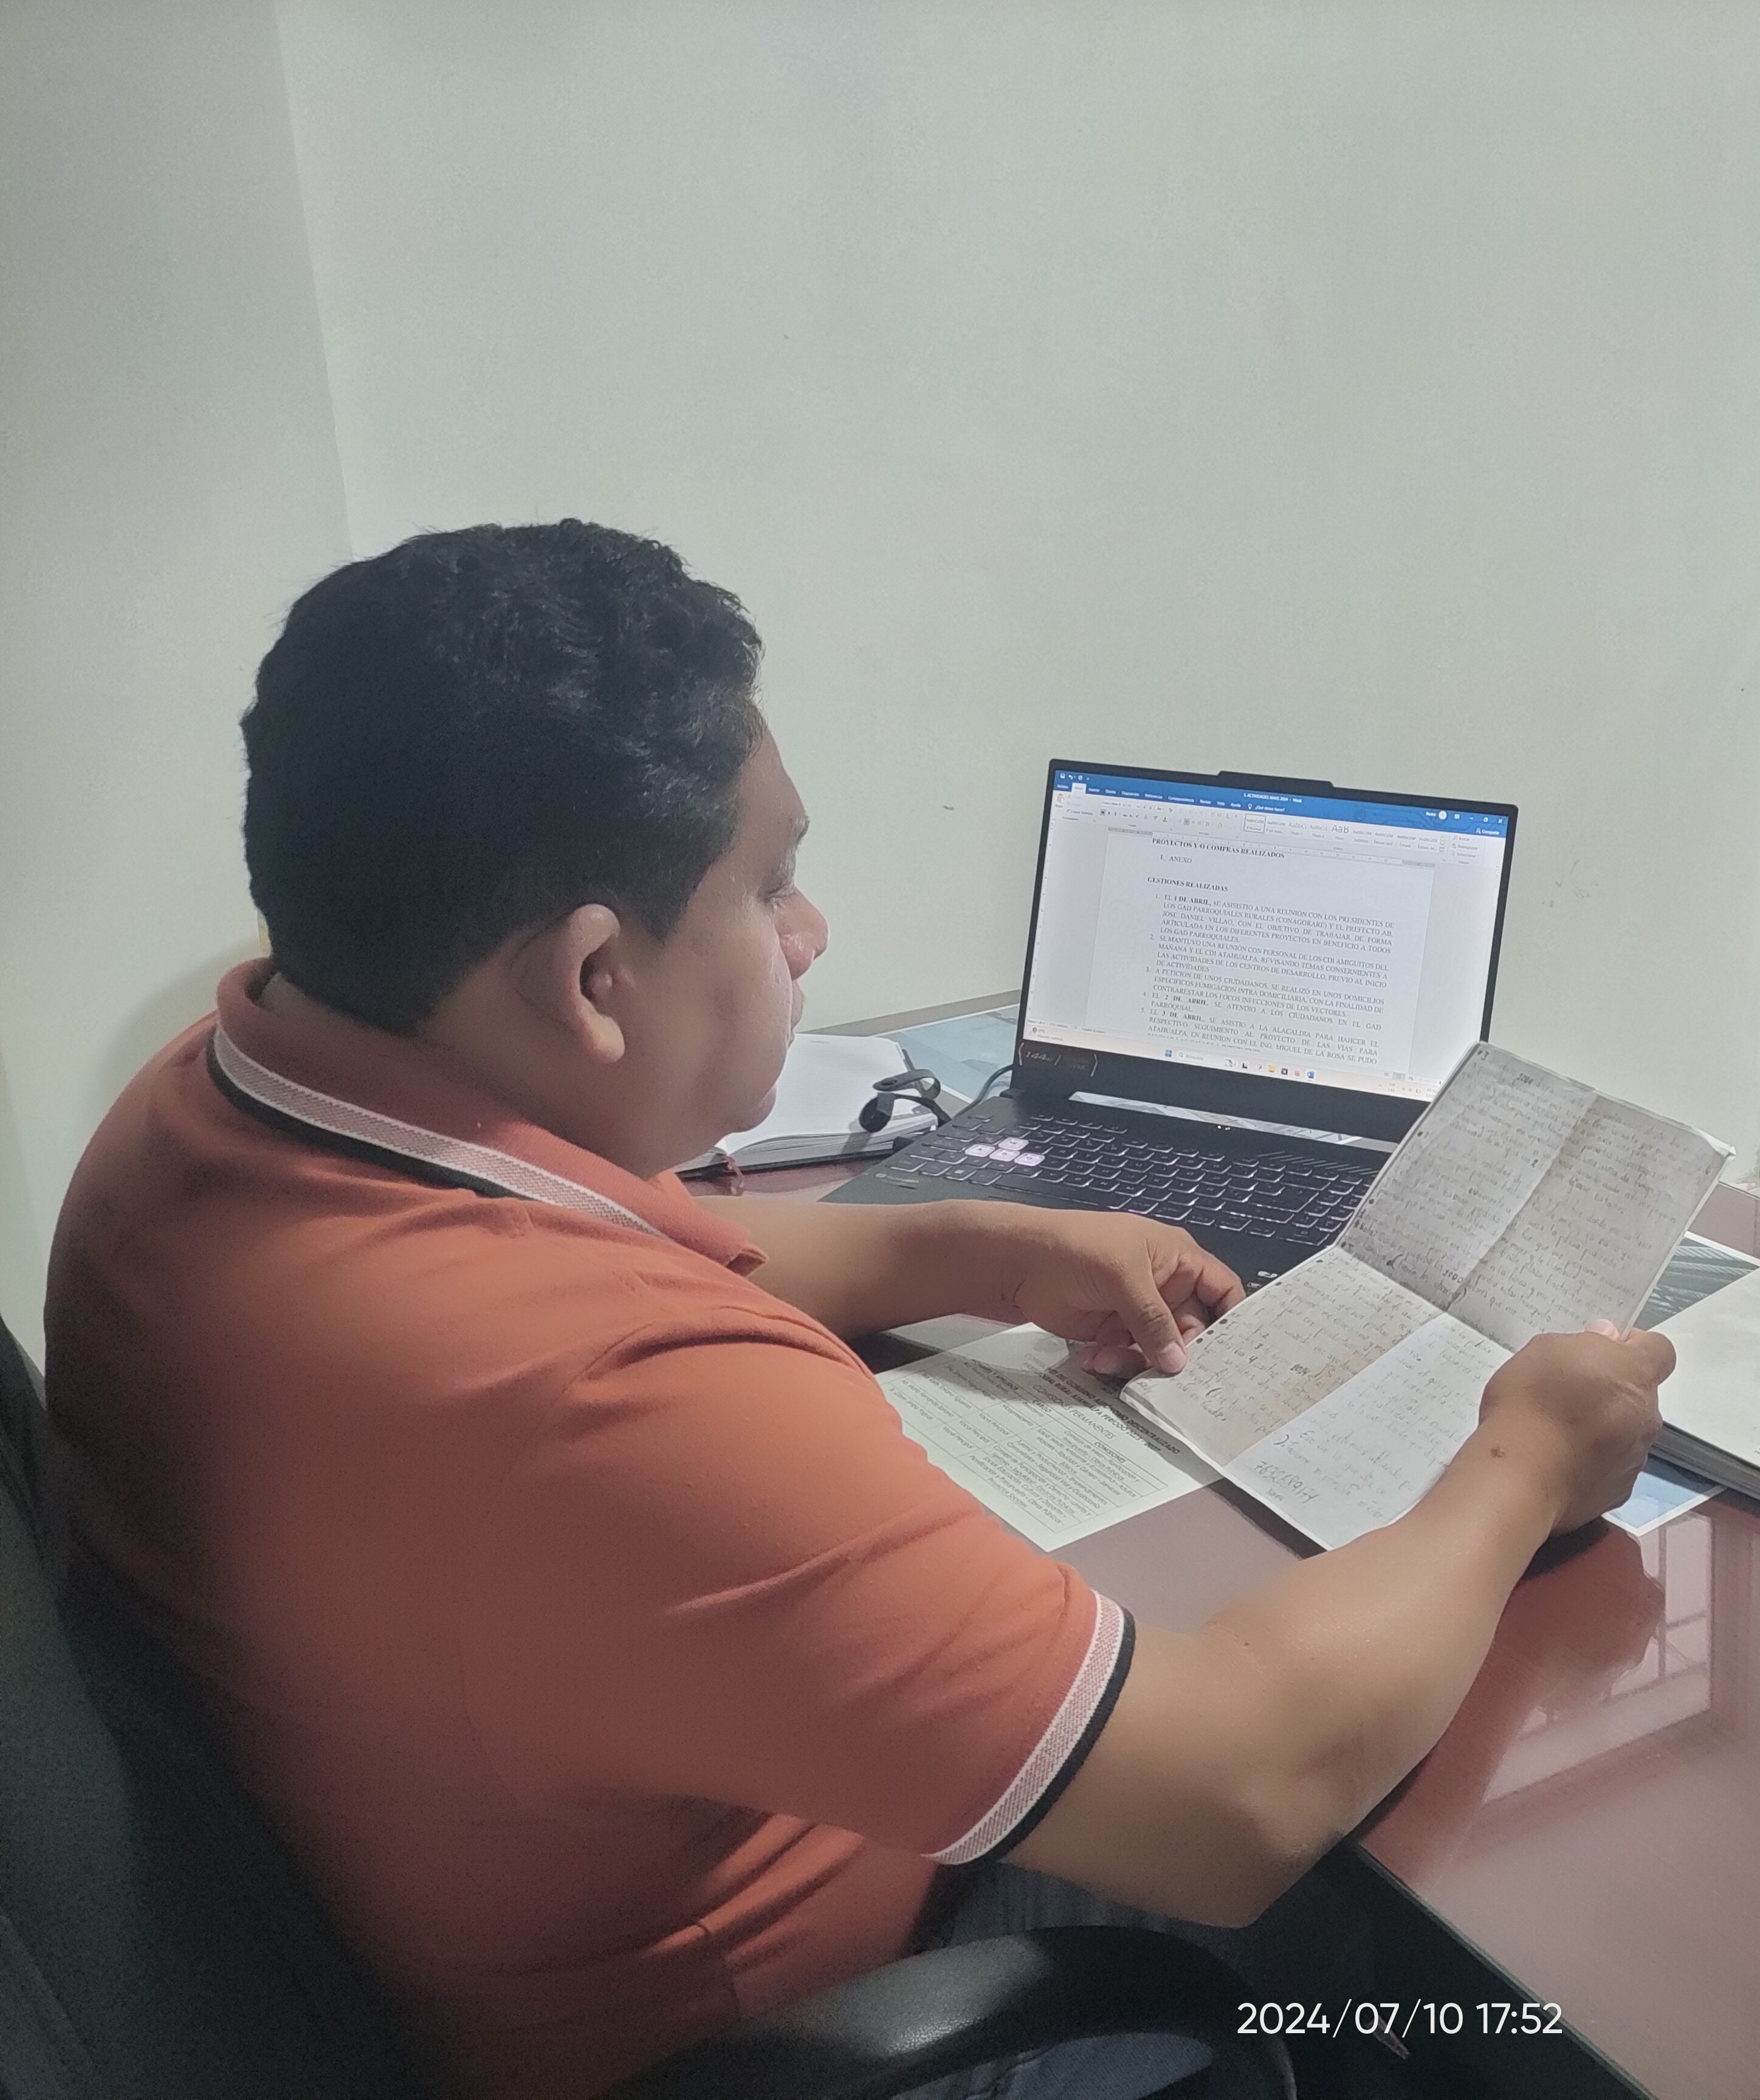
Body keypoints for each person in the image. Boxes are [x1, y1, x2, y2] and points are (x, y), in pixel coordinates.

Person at [43, 522, 1671, 2100]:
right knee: (1418, 1924)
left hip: (429, 1907)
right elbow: (1245, 1788)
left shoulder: (213, 1103)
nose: (810, 935)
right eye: (771, 887)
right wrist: (1524, 1460)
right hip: (809, 2031)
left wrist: (982, 1248)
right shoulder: (605, 1399)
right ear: (596, 980)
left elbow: (622, 1247)